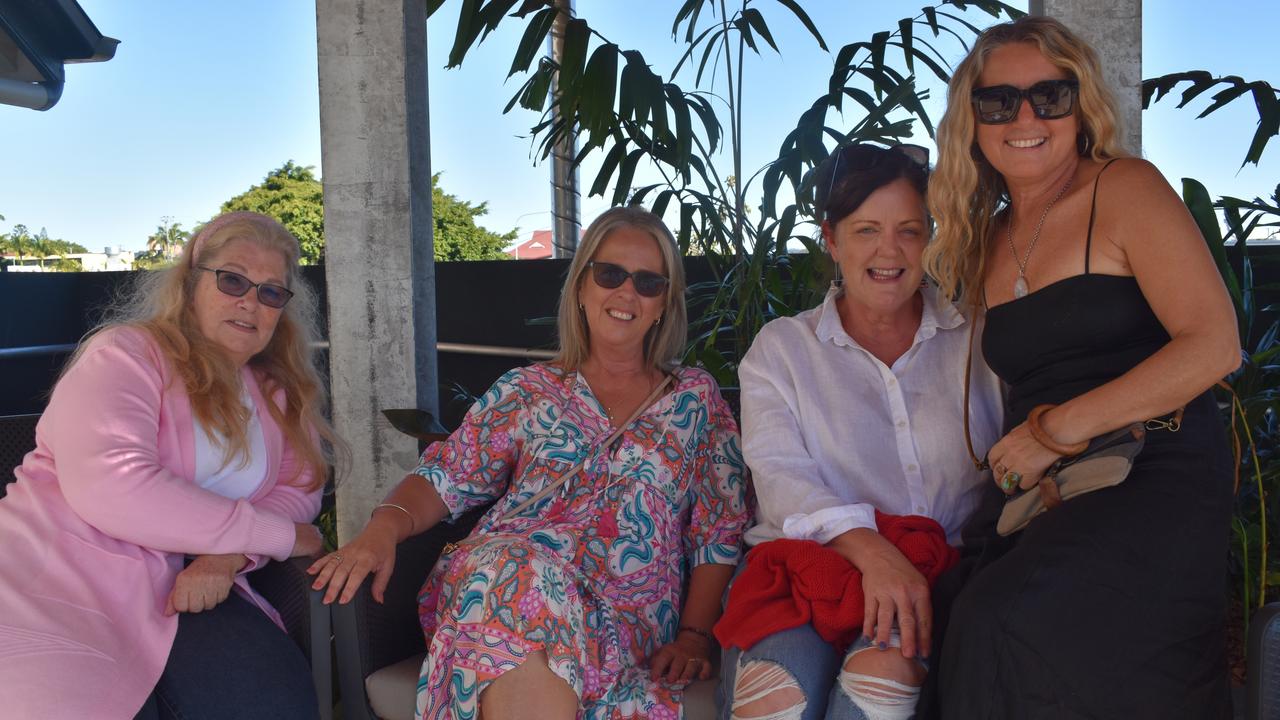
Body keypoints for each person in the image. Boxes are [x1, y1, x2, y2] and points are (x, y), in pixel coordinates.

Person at [310, 206, 750, 720]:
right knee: (513, 575)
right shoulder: (526, 391)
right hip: (502, 583)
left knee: (513, 593)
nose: (626, 292)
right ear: (582, 287)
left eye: (649, 282)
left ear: (663, 304)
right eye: (610, 274)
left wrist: (695, 635)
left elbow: (718, 528)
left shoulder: (694, 400)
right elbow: (445, 475)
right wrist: (382, 528)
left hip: (622, 618)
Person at [923, 16, 1240, 718]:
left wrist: (1053, 430)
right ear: (971, 122)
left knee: (1012, 621)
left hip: (1153, 468)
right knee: (954, 618)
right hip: (1050, 487)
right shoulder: (988, 239)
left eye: (1050, 96)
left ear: (1080, 104)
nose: (1026, 117)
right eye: (999, 101)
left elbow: (1216, 345)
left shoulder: (1123, 189)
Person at [0, 211, 340, 719]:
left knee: (274, 702)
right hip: (63, 576)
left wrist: (226, 558)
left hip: (198, 586)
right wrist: (281, 537)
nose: (250, 301)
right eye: (233, 280)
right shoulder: (125, 355)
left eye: (271, 292)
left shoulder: (276, 392)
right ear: (190, 282)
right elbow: (116, 487)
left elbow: (299, 487)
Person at [716, 143, 1003, 720]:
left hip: (935, 579)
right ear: (832, 238)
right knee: (775, 701)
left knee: (876, 694)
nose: (888, 251)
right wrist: (873, 552)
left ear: (930, 238)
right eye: (866, 229)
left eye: (909, 230)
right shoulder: (784, 349)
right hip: (804, 572)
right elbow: (781, 479)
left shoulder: (978, 342)